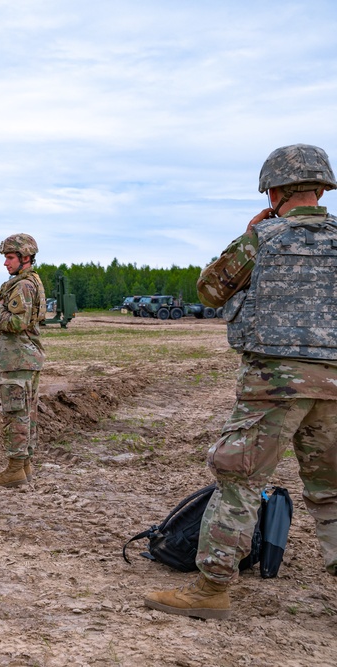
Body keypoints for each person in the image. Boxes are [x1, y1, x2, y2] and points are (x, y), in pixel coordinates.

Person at [145, 144, 337, 620]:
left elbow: (210, 289)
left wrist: (250, 231)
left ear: (273, 191)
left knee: (240, 484)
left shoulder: (263, 238)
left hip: (272, 383)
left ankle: (211, 590)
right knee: (332, 492)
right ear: (321, 188)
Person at [0, 233, 47, 488]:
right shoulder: (31, 282)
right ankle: (25, 466)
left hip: (17, 358)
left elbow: (15, 323)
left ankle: (14, 470)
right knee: (27, 413)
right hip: (26, 357)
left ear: (25, 258)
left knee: (16, 415)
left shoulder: (21, 286)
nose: (5, 263)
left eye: (10, 257)